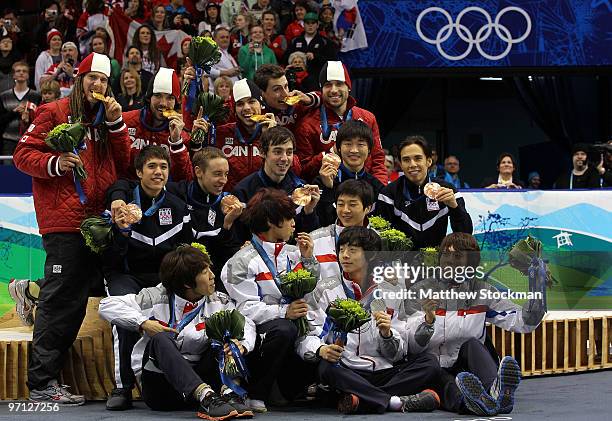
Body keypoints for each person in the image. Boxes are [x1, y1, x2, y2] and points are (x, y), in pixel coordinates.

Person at [12, 52, 130, 405]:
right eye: (91, 78)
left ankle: (35, 292)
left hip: (98, 222)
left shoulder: (104, 120)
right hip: (64, 221)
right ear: (78, 81)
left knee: (79, 293)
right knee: (65, 300)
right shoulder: (53, 112)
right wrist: (55, 161)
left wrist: (116, 125)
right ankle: (42, 382)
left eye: (103, 81)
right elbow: (21, 155)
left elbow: (124, 164)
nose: (98, 85)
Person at [99, 244, 255, 419]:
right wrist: (143, 323)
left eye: (210, 269)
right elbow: (106, 305)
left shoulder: (219, 300)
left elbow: (247, 323)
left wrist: (243, 345)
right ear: (187, 283)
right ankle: (206, 396)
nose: (212, 276)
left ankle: (229, 393)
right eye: (204, 272)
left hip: (205, 380)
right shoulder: (155, 297)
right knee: (160, 338)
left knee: (225, 337)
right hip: (161, 389)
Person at [298, 227, 441, 414]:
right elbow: (307, 335)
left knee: (430, 363)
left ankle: (363, 399)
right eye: (341, 250)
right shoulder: (326, 289)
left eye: (353, 250)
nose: (344, 256)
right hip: (347, 369)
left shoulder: (391, 290)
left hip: (384, 371)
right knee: (327, 368)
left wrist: (387, 335)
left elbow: (399, 352)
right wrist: (321, 349)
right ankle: (394, 402)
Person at [403, 233, 546, 415]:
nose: (449, 261)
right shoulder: (420, 290)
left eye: (457, 256)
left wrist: (537, 283)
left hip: (469, 368)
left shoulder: (483, 292)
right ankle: (472, 403)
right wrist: (427, 322)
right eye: (446, 254)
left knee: (473, 345)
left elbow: (524, 322)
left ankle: (495, 392)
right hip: (433, 367)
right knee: (440, 376)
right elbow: (409, 343)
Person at [103, 145, 194, 410]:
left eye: (163, 167)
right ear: (139, 172)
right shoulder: (120, 206)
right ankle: (123, 387)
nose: (158, 172)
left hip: (161, 277)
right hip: (125, 274)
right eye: (152, 166)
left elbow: (184, 249)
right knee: (124, 315)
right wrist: (120, 233)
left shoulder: (177, 207)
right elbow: (109, 259)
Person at [221, 188, 319, 412]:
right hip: (257, 335)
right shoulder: (240, 262)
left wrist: (309, 260)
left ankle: (285, 388)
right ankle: (256, 392)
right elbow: (245, 310)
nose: (294, 223)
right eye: (288, 218)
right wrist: (284, 312)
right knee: (284, 329)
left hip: (296, 326)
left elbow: (311, 291)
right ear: (270, 222)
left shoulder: (295, 253)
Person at [295, 61, 387, 184]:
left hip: (363, 190)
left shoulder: (367, 118)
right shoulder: (307, 125)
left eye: (339, 84)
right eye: (328, 85)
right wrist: (328, 155)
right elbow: (304, 171)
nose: (334, 90)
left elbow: (377, 160)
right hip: (327, 191)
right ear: (321, 89)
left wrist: (379, 192)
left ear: (348, 87)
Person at [165, 147, 243, 287]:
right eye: (217, 174)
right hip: (178, 275)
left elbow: (224, 254)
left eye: (226, 174)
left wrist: (227, 225)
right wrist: (118, 198)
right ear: (199, 171)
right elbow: (128, 185)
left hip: (213, 277)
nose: (223, 180)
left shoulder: (227, 205)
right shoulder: (177, 193)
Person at [377, 136, 472, 249]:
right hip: (402, 263)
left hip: (437, 261)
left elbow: (466, 233)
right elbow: (380, 237)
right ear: (401, 165)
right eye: (406, 160)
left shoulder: (447, 190)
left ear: (429, 161)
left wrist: (454, 207)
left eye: (418, 158)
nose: (412, 164)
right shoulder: (388, 194)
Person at [232, 126, 319, 235]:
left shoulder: (301, 189)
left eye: (289, 152)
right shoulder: (243, 191)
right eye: (277, 152)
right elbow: (239, 236)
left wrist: (309, 212)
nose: (284, 158)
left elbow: (310, 236)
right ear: (262, 152)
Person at [121, 67, 192, 181]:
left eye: (170, 98)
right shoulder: (126, 121)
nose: (163, 103)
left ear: (176, 102)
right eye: (158, 95)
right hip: (127, 190)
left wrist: (176, 141)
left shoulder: (182, 134)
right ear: (149, 97)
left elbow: (184, 179)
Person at [314, 120, 385, 226]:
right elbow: (321, 222)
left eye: (360, 144)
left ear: (369, 149)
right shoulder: (322, 181)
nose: (354, 150)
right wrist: (328, 188)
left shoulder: (376, 187)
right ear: (338, 148)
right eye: (348, 144)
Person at [213, 78, 278, 190]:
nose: (246, 108)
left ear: (261, 104)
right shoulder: (221, 133)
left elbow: (293, 169)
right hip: (230, 202)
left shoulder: (276, 132)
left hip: (265, 200)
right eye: (240, 104)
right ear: (234, 109)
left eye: (252, 101)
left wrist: (272, 137)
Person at [310, 179, 374, 281]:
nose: (345, 210)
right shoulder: (315, 240)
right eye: (340, 204)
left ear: (368, 208)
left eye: (352, 205)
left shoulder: (382, 241)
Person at [253, 63, 318, 132]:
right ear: (262, 93)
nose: (286, 94)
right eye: (277, 89)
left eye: (286, 86)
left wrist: (309, 99)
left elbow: (324, 98)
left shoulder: (298, 104)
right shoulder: (257, 115)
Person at [283, 12, 337, 92]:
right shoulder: (295, 40)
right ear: (303, 25)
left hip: (317, 79)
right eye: (307, 23)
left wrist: (315, 56)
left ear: (317, 25)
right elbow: (285, 57)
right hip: (296, 80)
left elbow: (331, 60)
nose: (310, 25)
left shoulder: (325, 41)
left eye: (313, 23)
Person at [0, 62, 41, 158]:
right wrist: (14, 112)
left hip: (30, 140)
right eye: (18, 71)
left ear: (28, 75)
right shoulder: (4, 96)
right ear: (13, 75)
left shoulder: (36, 96)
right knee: (8, 172)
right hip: (8, 141)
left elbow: (40, 120)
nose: (21, 73)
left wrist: (29, 119)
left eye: (24, 71)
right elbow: (0, 120)